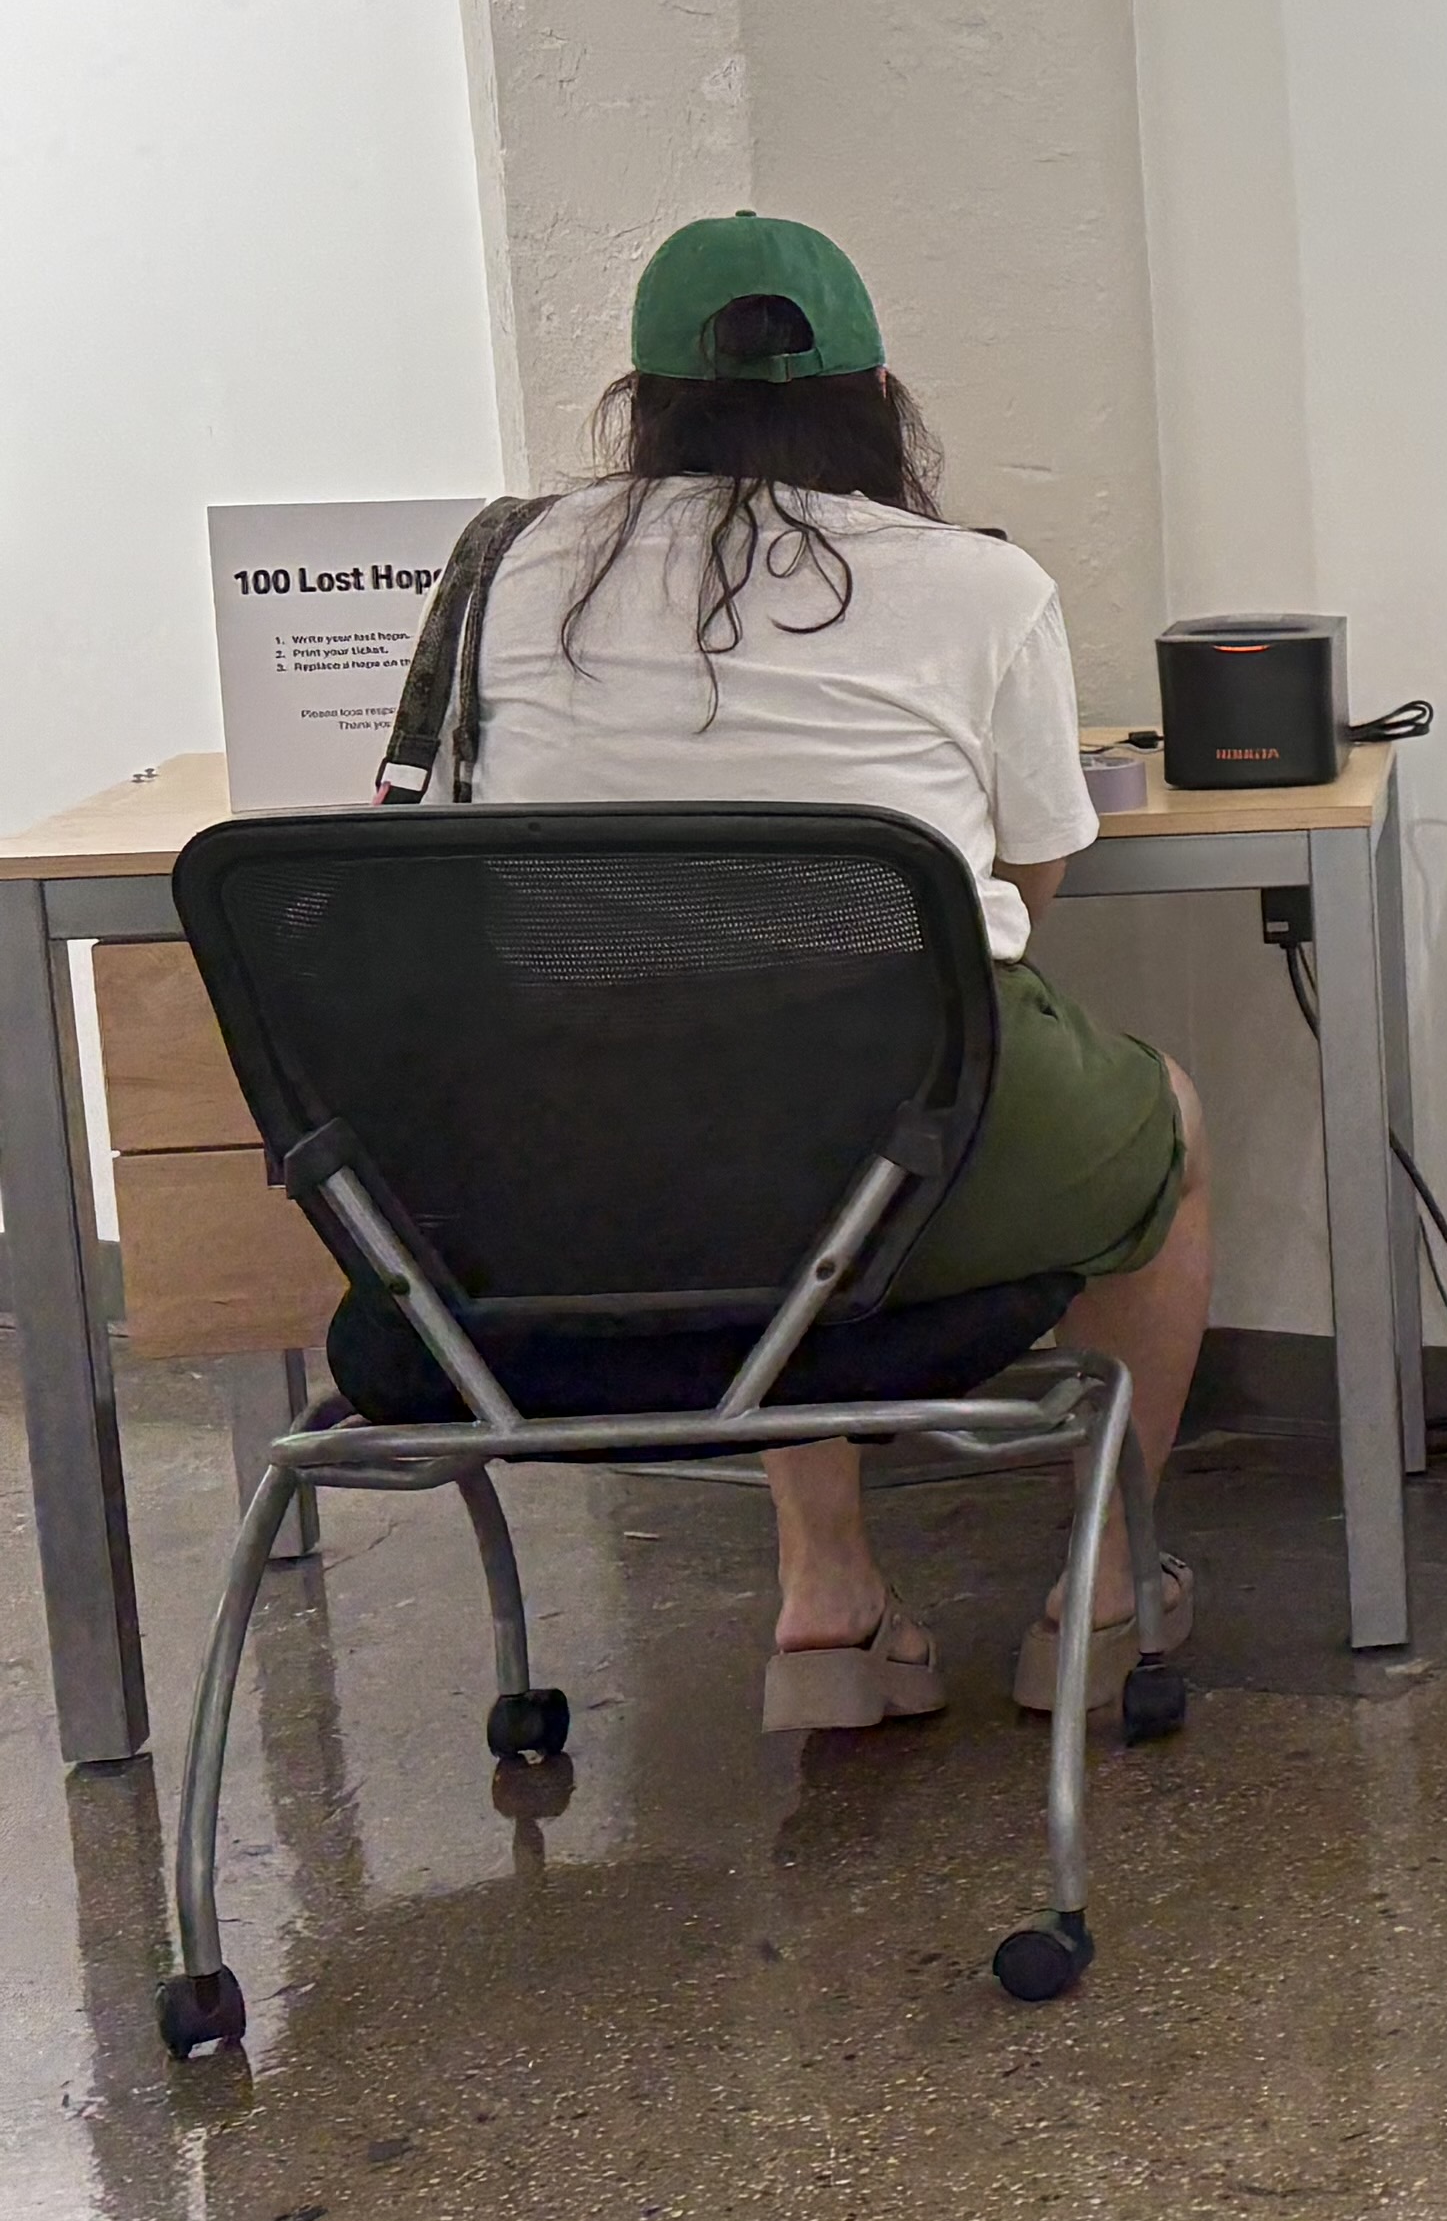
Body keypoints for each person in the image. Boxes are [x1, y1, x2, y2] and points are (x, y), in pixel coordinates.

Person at [449, 213, 1213, 1736]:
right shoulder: (977, 588)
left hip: (593, 1169)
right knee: (1167, 1126)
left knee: (759, 1145)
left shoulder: (511, 571)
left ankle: (826, 1593)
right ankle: (1110, 1584)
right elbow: (1027, 881)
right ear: (875, 392)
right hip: (909, 1148)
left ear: (643, 403)